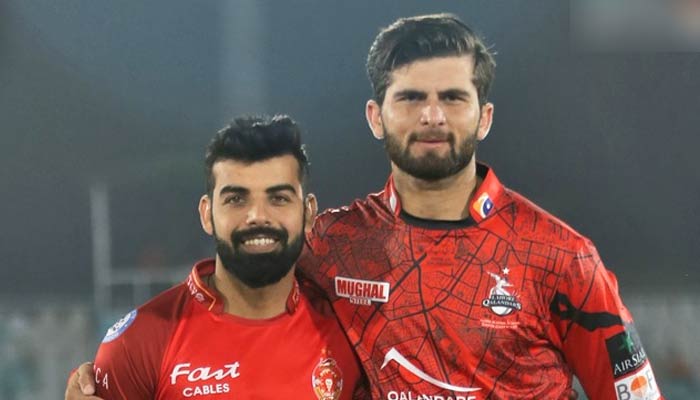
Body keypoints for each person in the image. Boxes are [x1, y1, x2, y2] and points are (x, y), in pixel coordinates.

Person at [67, 13, 663, 400]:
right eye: (411, 98)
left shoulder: (561, 257)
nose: (432, 115)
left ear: (484, 116)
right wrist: (132, 362)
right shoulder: (330, 243)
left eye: (453, 98)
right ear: (376, 117)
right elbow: (238, 291)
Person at [71, 115, 365, 399]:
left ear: (309, 213)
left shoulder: (353, 334)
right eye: (236, 199)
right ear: (207, 214)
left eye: (279, 198)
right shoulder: (139, 343)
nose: (257, 216)